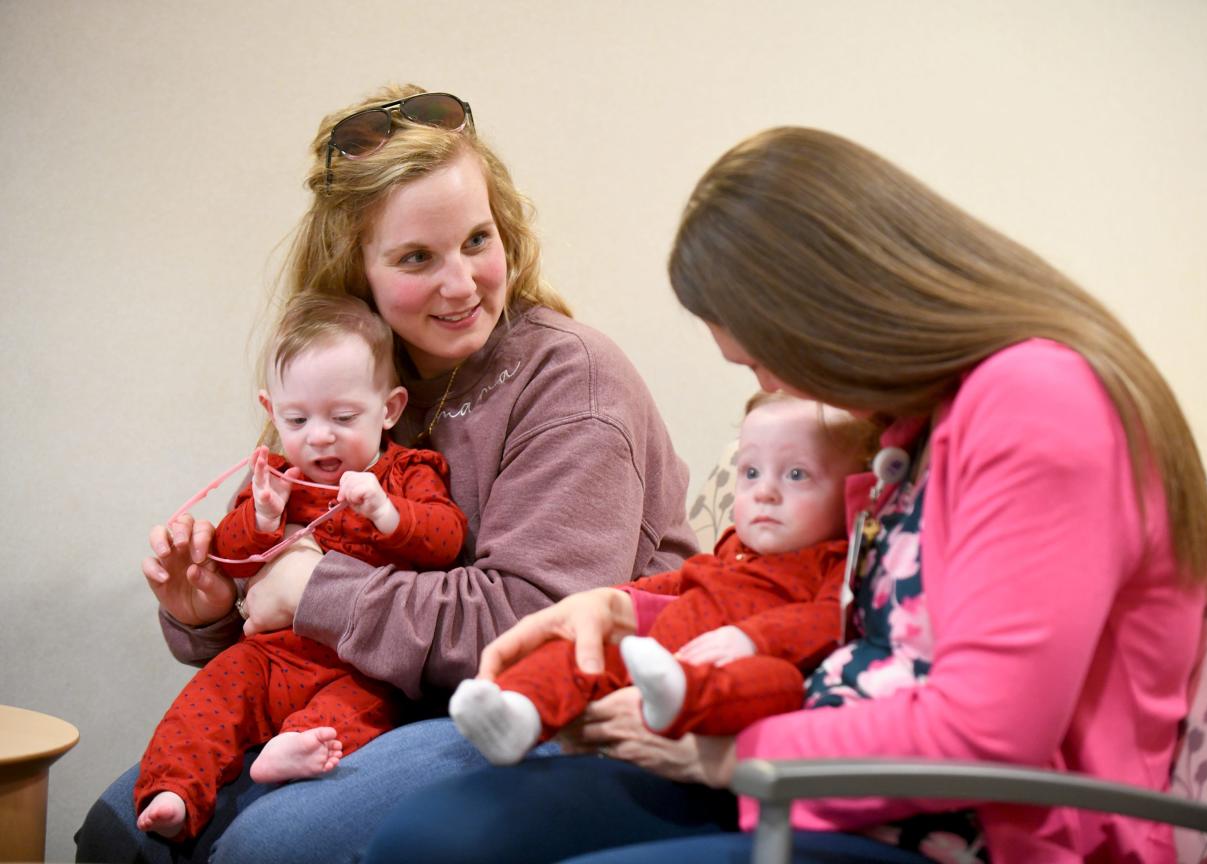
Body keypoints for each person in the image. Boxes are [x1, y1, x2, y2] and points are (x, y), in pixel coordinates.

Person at [363, 126, 1207, 864]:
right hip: (828, 789)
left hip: (981, 833)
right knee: (437, 840)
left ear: (826, 309)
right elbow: (817, 601)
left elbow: (989, 734)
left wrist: (725, 752)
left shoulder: (1037, 402)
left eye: (762, 356)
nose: (769, 383)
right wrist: (626, 615)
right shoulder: (909, 429)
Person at [76, 85, 698, 864]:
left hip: (556, 713)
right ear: (355, 267)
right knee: (122, 826)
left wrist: (312, 592)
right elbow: (283, 603)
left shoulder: (572, 383)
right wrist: (210, 610)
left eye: (478, 239)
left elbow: (536, 624)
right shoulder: (355, 380)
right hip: (384, 699)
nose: (461, 282)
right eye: (415, 257)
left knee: (271, 848)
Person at [134, 292, 468, 840]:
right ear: (272, 412)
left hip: (364, 663)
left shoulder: (409, 472)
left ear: (389, 409)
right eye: (297, 418)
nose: (319, 435)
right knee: (211, 697)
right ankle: (174, 788)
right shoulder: (278, 479)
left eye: (343, 416)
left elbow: (446, 538)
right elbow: (231, 555)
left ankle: (296, 744)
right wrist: (263, 517)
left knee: (364, 709)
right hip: (273, 654)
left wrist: (388, 512)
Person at [450, 392, 875, 764]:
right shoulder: (733, 549)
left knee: (778, 684)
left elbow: (827, 622)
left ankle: (679, 697)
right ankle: (516, 713)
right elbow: (681, 582)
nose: (765, 492)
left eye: (796, 474)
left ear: (853, 493)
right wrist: (616, 602)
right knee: (583, 653)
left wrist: (754, 640)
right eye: (750, 473)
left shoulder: (836, 563)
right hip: (659, 658)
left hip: (735, 676)